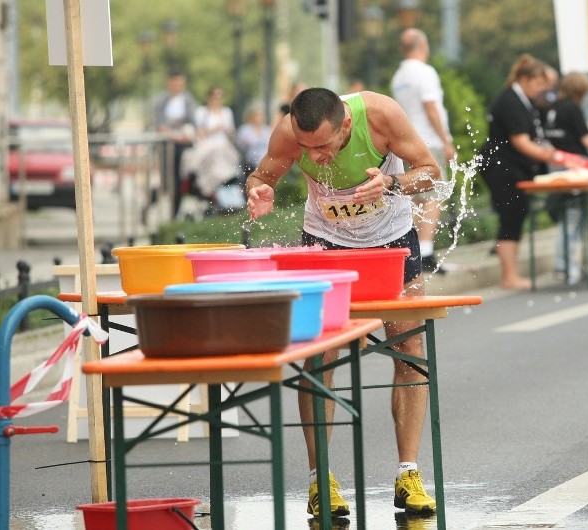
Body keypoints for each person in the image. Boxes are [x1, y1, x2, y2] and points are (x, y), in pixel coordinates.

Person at [245, 88, 441, 517]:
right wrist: (258, 189)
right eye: (306, 148)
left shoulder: (381, 115)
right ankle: (321, 479)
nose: (314, 158)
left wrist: (392, 182)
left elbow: (431, 172)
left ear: (347, 127)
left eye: (325, 147)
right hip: (325, 244)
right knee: (320, 359)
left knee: (410, 350)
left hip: (391, 244)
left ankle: (409, 473)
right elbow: (263, 175)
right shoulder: (289, 132)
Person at [479, 54, 564, 290]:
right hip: (502, 168)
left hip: (513, 168)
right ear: (525, 79)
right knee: (510, 218)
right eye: (537, 84)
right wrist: (549, 155)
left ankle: (511, 273)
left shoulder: (522, 101)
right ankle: (509, 275)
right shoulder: (511, 101)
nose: (539, 89)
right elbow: (520, 141)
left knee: (515, 217)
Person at [391, 28, 455, 274]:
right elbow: (431, 107)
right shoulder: (425, 72)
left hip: (407, 141)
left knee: (416, 196)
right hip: (429, 140)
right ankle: (426, 251)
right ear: (423, 45)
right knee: (433, 195)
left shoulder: (399, 76)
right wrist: (446, 139)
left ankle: (416, 247)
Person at [543, 71, 588, 284]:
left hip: (556, 169)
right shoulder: (572, 109)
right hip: (576, 170)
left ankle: (562, 263)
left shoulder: (551, 108)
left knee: (565, 218)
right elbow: (585, 139)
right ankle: (569, 265)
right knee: (574, 218)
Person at [182, 86, 240, 211]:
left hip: (224, 147)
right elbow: (198, 133)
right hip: (208, 146)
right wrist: (214, 129)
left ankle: (227, 192)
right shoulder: (202, 112)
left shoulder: (226, 112)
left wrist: (229, 132)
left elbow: (232, 136)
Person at [152, 70, 197, 217]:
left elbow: (192, 123)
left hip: (183, 146)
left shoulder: (187, 100)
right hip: (167, 145)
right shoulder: (161, 101)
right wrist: (174, 135)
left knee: (180, 180)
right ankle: (152, 202)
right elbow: (160, 125)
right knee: (167, 181)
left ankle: (175, 213)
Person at [235, 106, 273, 176]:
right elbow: (240, 145)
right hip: (251, 162)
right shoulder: (244, 130)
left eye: (261, 116)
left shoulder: (267, 130)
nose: (260, 118)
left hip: (266, 161)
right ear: (252, 117)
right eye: (258, 115)